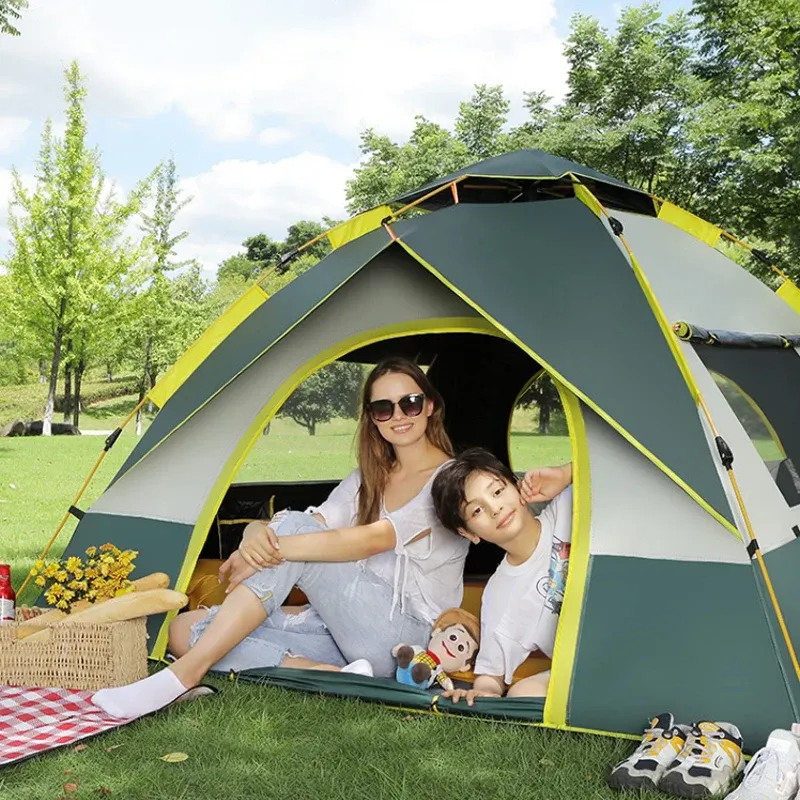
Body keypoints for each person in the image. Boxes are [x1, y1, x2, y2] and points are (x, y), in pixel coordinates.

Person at [92, 357, 470, 719]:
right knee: (184, 629)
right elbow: (317, 520)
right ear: (372, 419)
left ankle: (183, 675)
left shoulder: (449, 480)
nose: (399, 416)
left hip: (408, 640)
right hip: (346, 633)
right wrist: (254, 532)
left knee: (291, 539)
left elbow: (368, 541)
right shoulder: (370, 476)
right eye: (384, 408)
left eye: (411, 403)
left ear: (431, 406)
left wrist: (269, 547)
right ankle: (332, 675)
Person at [430, 447, 573, 706]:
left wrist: (566, 474)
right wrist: (483, 691)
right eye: (477, 511)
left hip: (631, 620)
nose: (495, 508)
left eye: (497, 491)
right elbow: (491, 673)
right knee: (522, 694)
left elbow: (616, 464)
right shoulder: (499, 593)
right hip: (583, 668)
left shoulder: (568, 508)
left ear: (517, 486)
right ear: (468, 533)